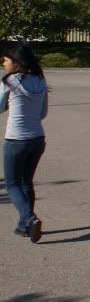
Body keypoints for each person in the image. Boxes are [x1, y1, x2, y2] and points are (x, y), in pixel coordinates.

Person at [1, 42, 48, 243]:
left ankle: (29, 218)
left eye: (6, 59)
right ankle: (24, 225)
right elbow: (43, 113)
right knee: (26, 182)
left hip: (15, 139)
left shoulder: (9, 81)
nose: (3, 63)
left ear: (16, 62)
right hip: (37, 138)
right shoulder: (40, 80)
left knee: (12, 183)